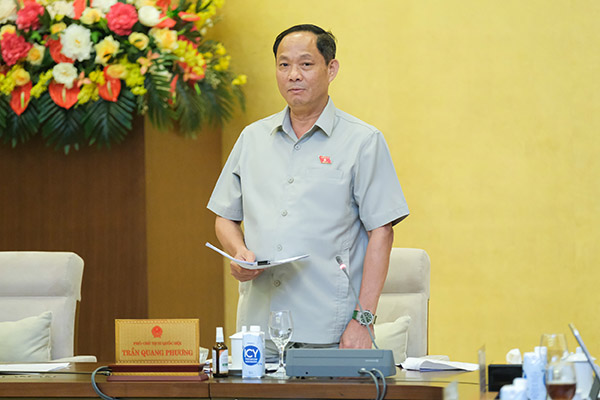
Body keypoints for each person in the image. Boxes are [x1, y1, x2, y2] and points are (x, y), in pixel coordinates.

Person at [207, 24, 409, 356]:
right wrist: (238, 251)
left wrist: (363, 320)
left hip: (329, 331)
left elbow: (382, 232)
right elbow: (224, 217)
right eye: (284, 65)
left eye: (306, 64)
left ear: (331, 69)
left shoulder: (363, 141)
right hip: (258, 332)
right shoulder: (252, 138)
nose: (293, 75)